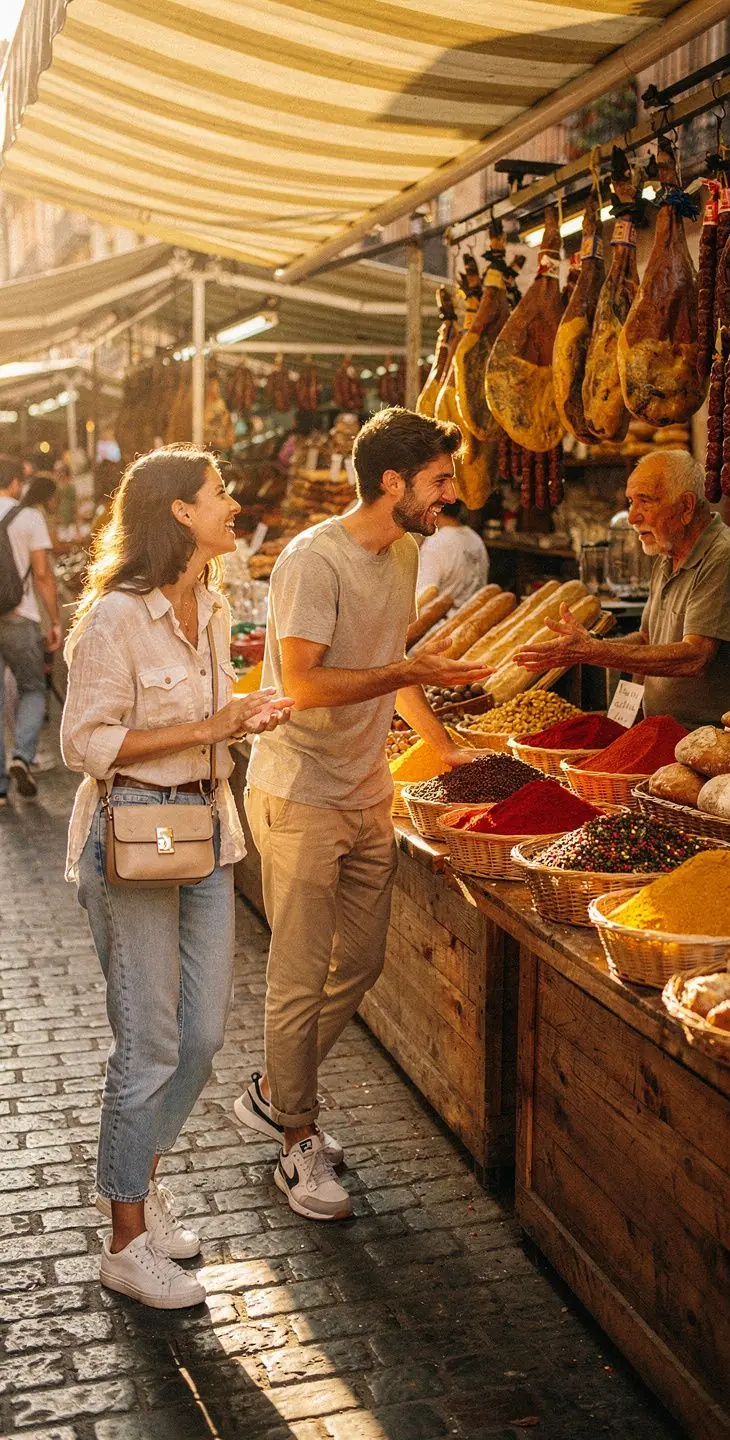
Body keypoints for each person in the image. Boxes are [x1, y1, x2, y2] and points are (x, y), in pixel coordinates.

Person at [234, 406, 492, 1222]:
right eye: (440, 481)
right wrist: (405, 668)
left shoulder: (407, 549)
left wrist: (441, 745)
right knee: (298, 976)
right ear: (393, 482)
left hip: (365, 792)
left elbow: (389, 669)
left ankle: (276, 1090)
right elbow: (303, 684)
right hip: (300, 791)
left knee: (362, 964)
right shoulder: (315, 560)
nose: (449, 495)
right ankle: (297, 1140)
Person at [61, 444, 292, 1310]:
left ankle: (136, 1183)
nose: (233, 503)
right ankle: (124, 1238)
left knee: (199, 1041)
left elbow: (207, 728)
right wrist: (210, 723)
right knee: (150, 1044)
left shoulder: (214, 601)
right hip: (132, 832)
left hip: (207, 829)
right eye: (218, 492)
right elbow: (85, 744)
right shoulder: (116, 619)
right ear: (179, 514)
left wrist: (239, 725)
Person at [516, 450, 730, 728]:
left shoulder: (727, 556)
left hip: (722, 737)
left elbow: (695, 657)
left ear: (687, 507)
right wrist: (594, 645)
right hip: (671, 734)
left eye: (645, 501)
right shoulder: (667, 556)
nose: (631, 517)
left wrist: (592, 651)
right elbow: (646, 639)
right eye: (631, 501)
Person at [0, 455, 61, 804]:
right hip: (20, 618)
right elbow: (43, 575)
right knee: (33, 688)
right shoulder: (29, 517)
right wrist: (54, 620)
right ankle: (22, 756)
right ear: (14, 484)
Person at [417, 498, 489, 610]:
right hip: (472, 620)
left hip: (440, 625)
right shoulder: (476, 539)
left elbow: (427, 593)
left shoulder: (437, 542)